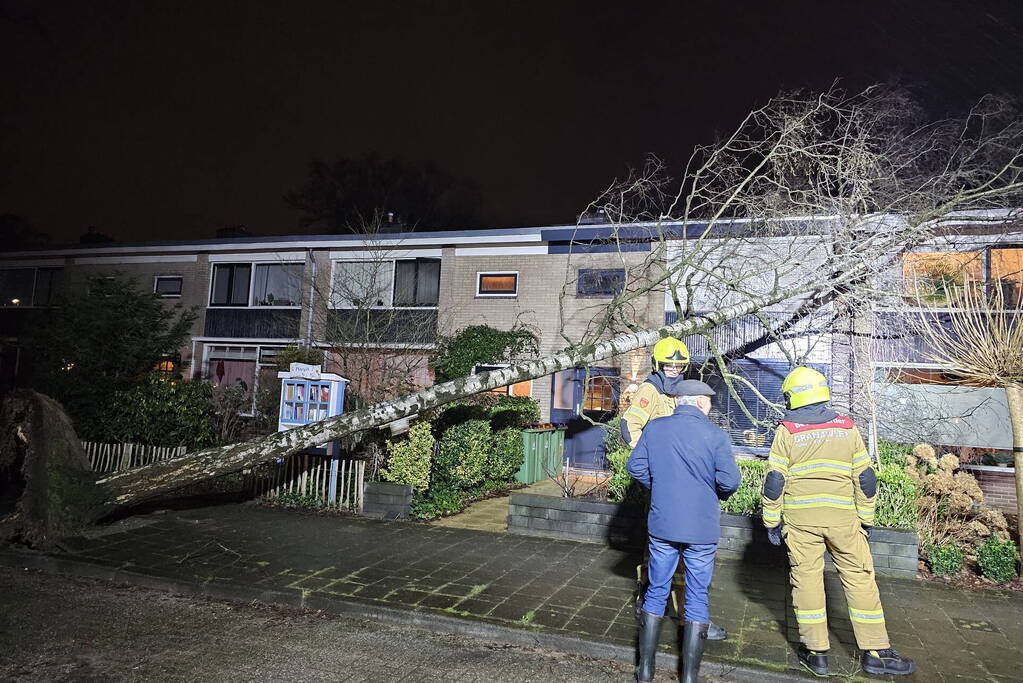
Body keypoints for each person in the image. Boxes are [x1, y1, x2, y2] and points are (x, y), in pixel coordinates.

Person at [762, 367, 916, 677]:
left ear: (793, 396)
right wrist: (866, 519)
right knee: (860, 579)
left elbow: (775, 480)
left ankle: (816, 653)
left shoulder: (787, 431)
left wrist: (771, 521)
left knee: (806, 581)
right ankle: (876, 652)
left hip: (801, 522)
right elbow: (866, 478)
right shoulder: (847, 428)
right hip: (844, 521)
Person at [627, 381, 740, 683]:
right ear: (702, 403)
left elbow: (636, 466)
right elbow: (730, 481)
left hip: (663, 523)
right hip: (701, 528)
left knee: (656, 590)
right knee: (697, 595)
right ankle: (689, 676)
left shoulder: (655, 429)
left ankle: (645, 670)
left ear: (680, 402)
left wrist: (661, 488)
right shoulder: (716, 436)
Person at [620, 337, 690, 449]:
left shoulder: (679, 391)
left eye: (679, 366)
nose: (675, 370)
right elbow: (629, 425)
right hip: (659, 457)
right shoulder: (649, 389)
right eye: (669, 365)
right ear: (659, 365)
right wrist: (647, 453)